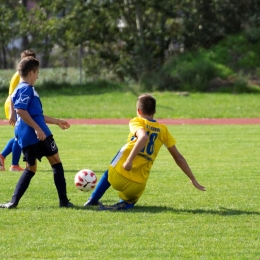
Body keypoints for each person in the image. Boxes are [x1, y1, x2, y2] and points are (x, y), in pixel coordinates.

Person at [84, 94, 206, 211]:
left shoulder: (137, 121)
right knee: (131, 200)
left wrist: (129, 161)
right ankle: (125, 204)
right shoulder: (163, 130)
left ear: (139, 111)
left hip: (118, 175)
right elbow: (178, 157)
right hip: (137, 185)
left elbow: (143, 137)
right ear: (155, 112)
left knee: (114, 163)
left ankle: (93, 199)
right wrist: (193, 178)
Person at [0, 56, 74, 209]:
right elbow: (21, 110)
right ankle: (64, 202)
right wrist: (38, 128)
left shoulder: (18, 88)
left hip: (24, 136)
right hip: (38, 134)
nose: (38, 76)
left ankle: (13, 202)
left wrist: (57, 121)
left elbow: (28, 111)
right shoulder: (27, 88)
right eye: (38, 72)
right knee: (56, 163)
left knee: (30, 169)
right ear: (32, 72)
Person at [0, 50, 36, 172]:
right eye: (26, 60)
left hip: (17, 106)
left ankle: (2, 156)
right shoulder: (18, 75)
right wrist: (12, 113)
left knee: (18, 135)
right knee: (19, 136)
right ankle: (14, 165)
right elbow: (12, 95)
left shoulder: (29, 75)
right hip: (12, 106)